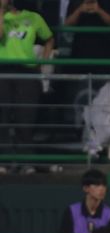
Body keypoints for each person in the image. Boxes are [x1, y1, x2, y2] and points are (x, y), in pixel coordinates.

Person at [0, 0, 54, 174]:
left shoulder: (33, 17)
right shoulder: (2, 17)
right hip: (3, 70)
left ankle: (27, 161)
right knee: (3, 119)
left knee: (26, 119)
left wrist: (42, 62)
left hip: (27, 72)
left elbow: (49, 39)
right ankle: (5, 161)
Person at [60, 168, 110, 233]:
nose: (102, 189)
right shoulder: (71, 211)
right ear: (85, 188)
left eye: (104, 185)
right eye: (97, 185)